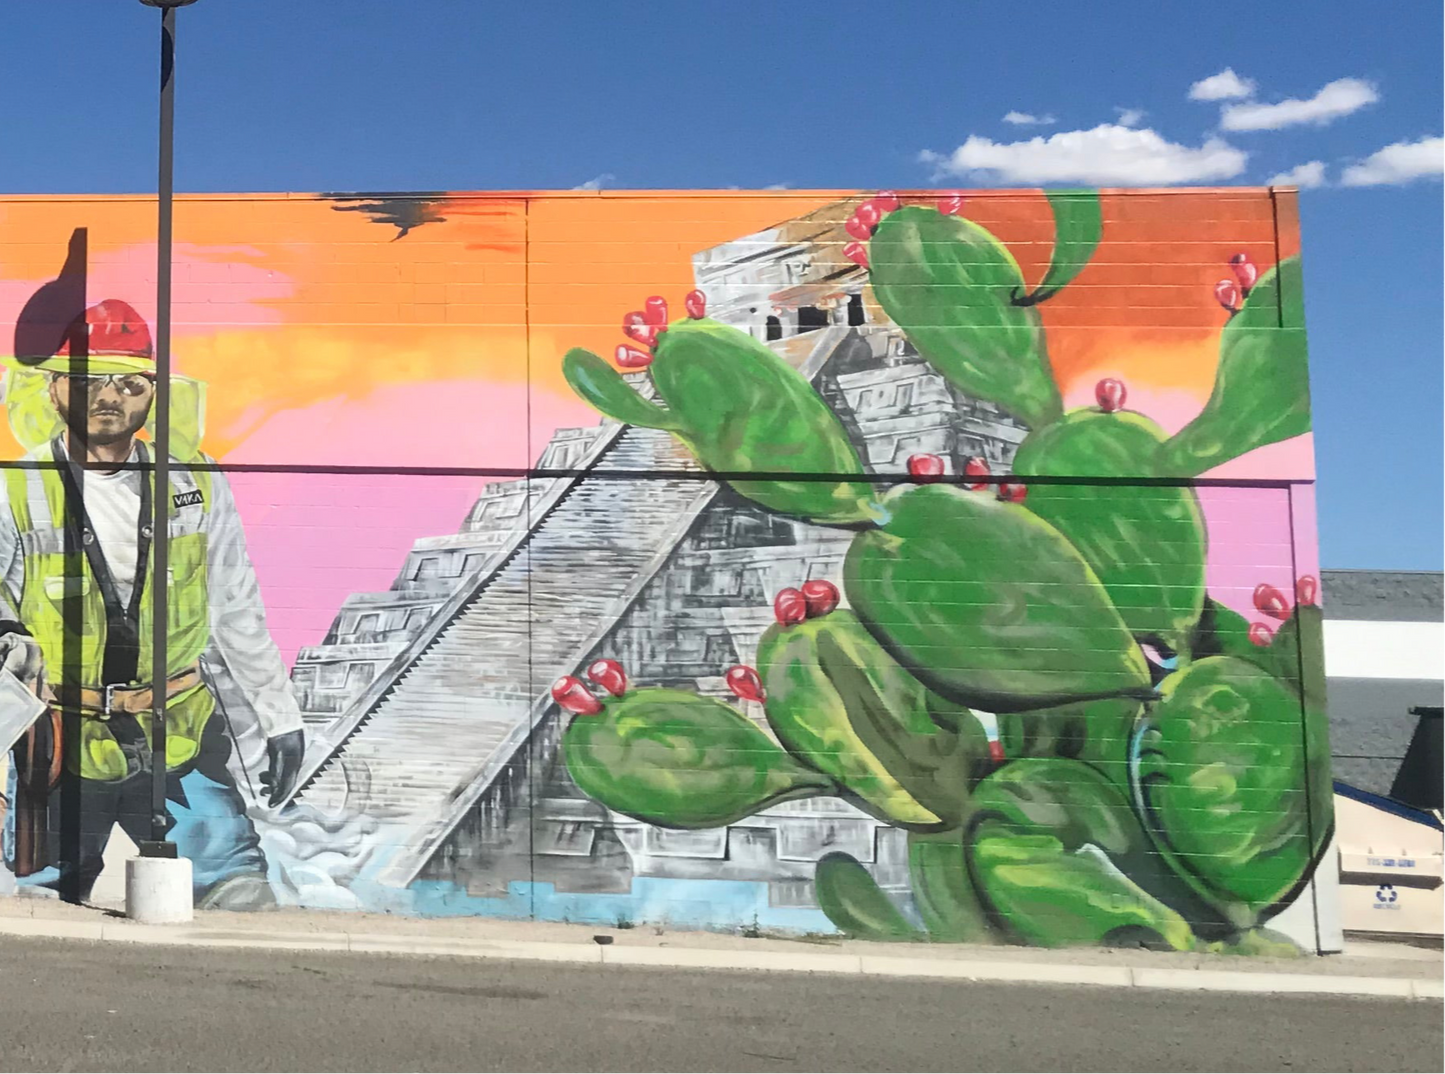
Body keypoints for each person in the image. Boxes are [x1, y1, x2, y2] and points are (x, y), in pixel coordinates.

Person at [0, 298, 304, 908]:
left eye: (129, 382)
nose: (109, 396)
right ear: (54, 390)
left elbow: (236, 606)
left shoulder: (195, 482)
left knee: (241, 898)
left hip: (180, 741)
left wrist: (280, 716)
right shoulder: (12, 484)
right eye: (88, 380)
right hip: (60, 749)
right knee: (39, 913)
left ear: (155, 393)